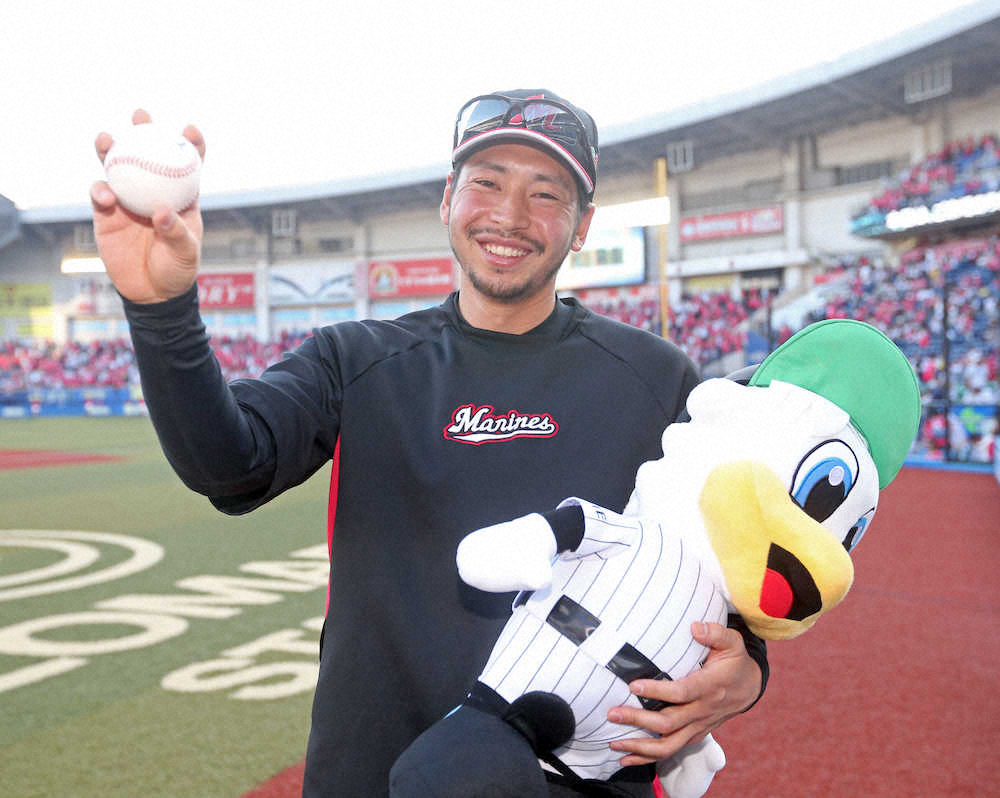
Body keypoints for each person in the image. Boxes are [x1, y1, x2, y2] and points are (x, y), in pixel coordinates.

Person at [91, 90, 767, 798]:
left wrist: (748, 667)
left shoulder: (657, 379)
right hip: (371, 775)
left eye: (546, 193)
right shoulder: (353, 359)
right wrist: (161, 308)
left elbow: (723, 565)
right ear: (448, 198)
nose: (509, 216)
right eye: (486, 182)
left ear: (582, 224)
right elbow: (227, 469)